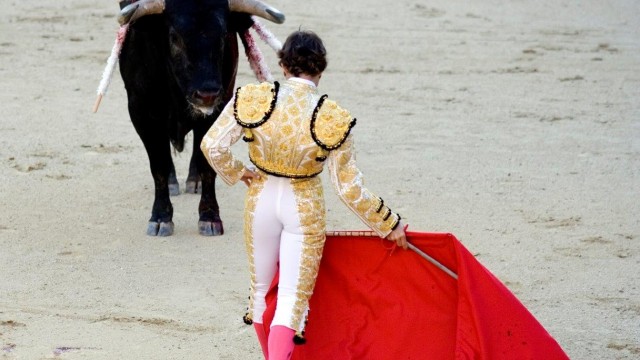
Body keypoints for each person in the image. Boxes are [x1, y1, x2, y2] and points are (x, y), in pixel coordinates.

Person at [201, 30, 407, 360]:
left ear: (283, 66)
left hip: (261, 198)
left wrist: (238, 172)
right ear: (321, 69)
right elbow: (349, 189)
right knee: (292, 299)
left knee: (259, 292)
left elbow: (212, 145)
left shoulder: (253, 97)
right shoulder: (333, 117)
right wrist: (388, 222)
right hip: (304, 205)